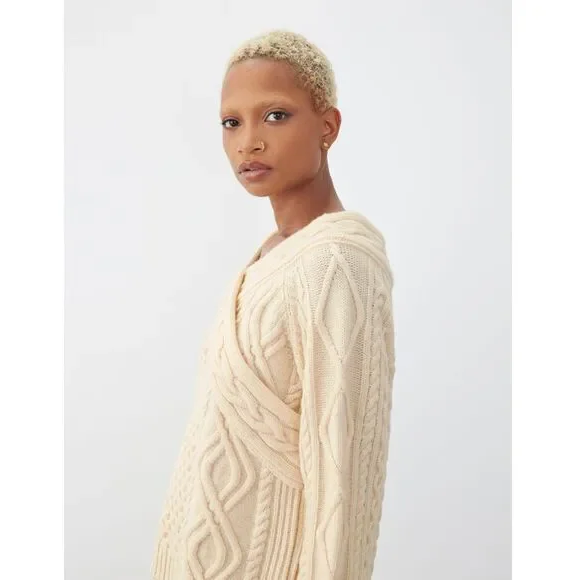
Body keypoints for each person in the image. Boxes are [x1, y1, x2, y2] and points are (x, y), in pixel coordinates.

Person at [151, 29, 396, 580]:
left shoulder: (336, 262)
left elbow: (344, 470)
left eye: (275, 116)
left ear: (328, 126)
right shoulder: (270, 257)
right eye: (231, 122)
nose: (249, 142)